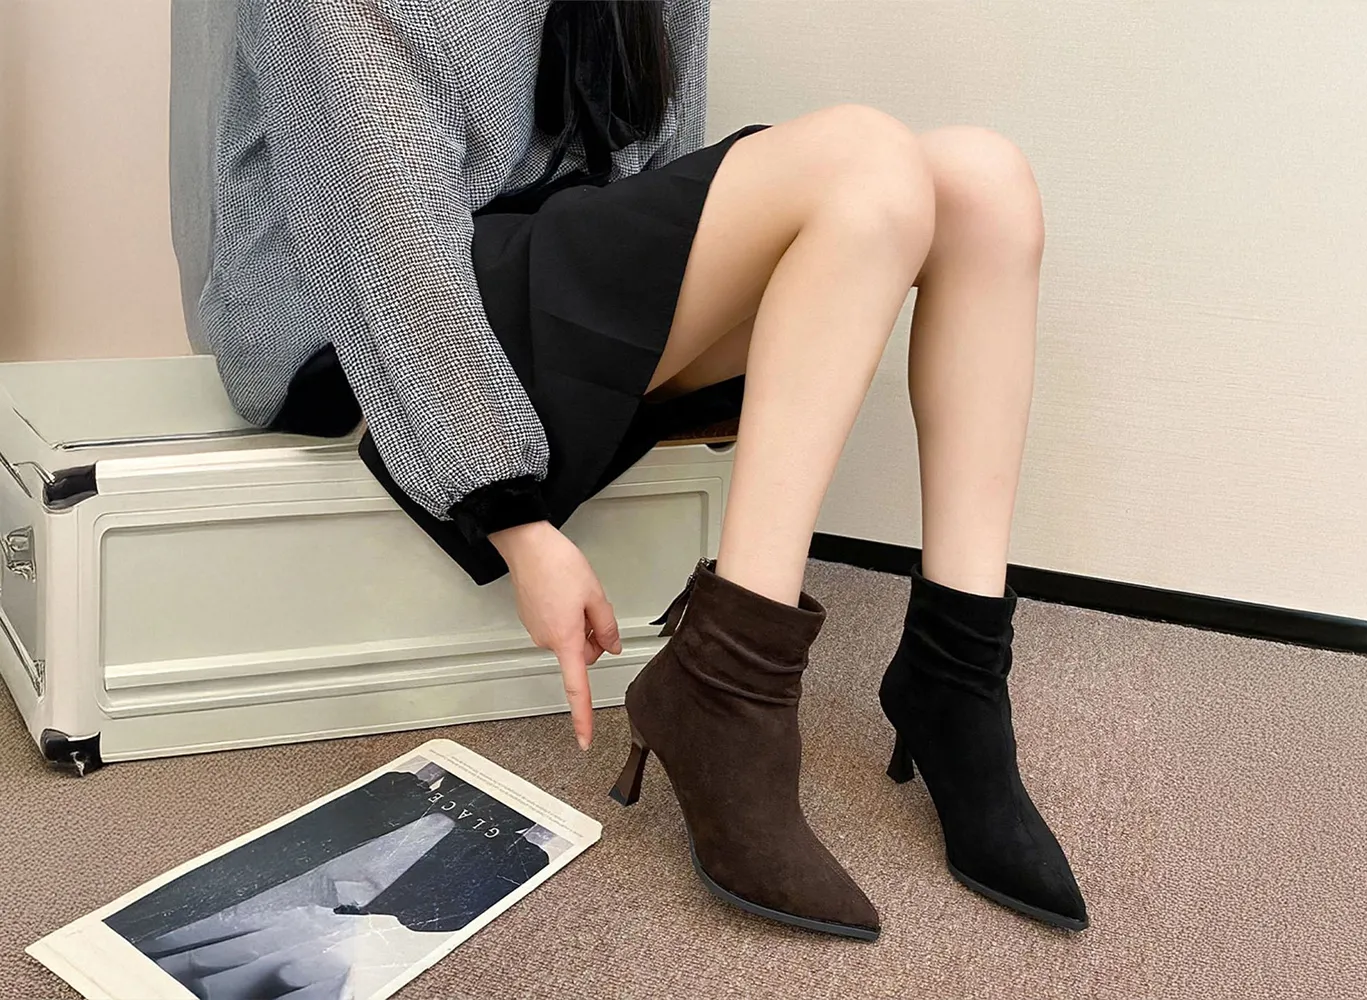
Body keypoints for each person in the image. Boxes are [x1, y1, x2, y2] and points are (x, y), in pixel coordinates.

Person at [202, 0, 1087, 942]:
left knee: (985, 183)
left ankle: (956, 678)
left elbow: (656, 181)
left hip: (541, 278)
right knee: (865, 158)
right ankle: (730, 688)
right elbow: (385, 241)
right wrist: (512, 516)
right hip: (356, 321)